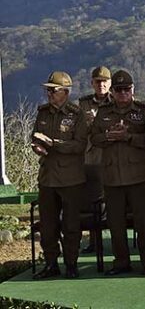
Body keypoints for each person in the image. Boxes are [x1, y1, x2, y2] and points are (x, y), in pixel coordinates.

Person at [90, 70, 145, 276]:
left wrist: (129, 137)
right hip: (112, 177)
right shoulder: (104, 112)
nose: (122, 94)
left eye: (126, 89)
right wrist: (108, 136)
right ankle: (121, 262)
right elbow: (93, 138)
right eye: (118, 90)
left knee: (144, 223)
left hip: (141, 176)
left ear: (133, 90)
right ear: (112, 91)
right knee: (115, 223)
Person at [31, 71, 87, 279]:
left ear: (65, 92)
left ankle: (71, 264)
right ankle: (51, 263)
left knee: (71, 225)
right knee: (47, 225)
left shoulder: (76, 114)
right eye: (47, 90)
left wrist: (54, 144)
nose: (49, 94)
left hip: (71, 178)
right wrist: (37, 146)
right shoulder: (43, 113)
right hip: (47, 177)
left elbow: (80, 145)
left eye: (53, 90)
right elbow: (35, 135)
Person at [78, 66, 113, 253]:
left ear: (110, 83)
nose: (101, 85)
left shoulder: (117, 101)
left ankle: (118, 238)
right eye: (98, 81)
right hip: (92, 156)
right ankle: (94, 240)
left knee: (115, 197)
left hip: (112, 154)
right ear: (92, 83)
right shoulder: (83, 104)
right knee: (93, 198)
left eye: (105, 81)